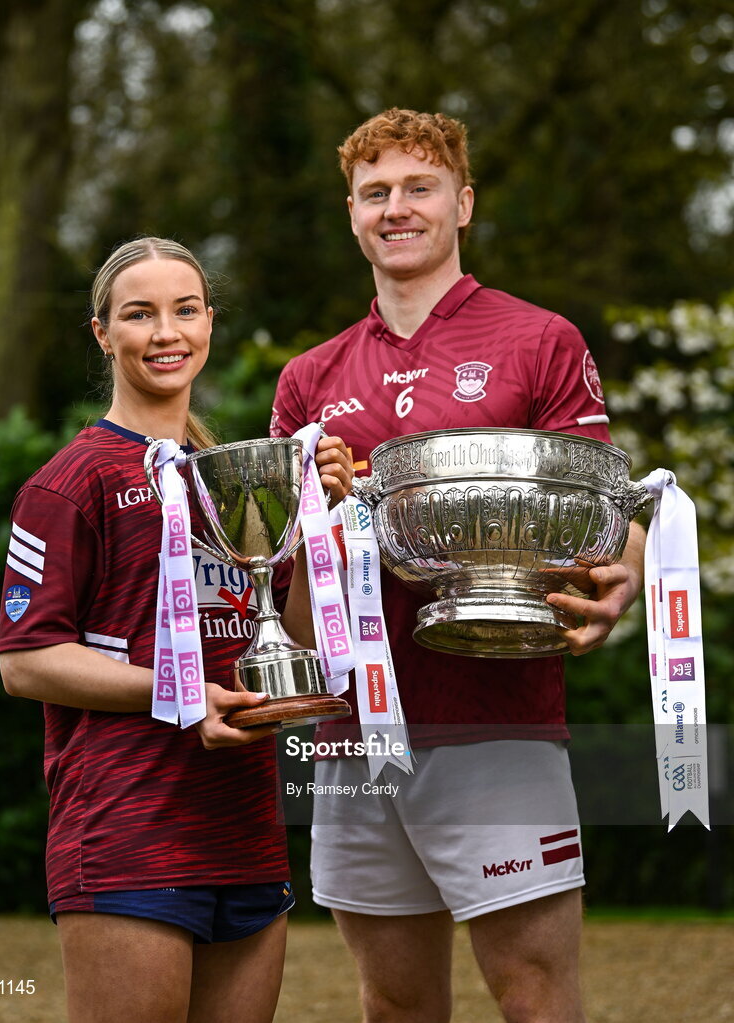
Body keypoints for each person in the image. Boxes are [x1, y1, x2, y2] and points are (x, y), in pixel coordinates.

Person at [270, 109, 646, 1023]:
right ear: (351, 213)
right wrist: (309, 528)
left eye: (419, 186)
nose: (397, 208)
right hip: (352, 735)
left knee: (533, 992)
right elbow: (286, 590)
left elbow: (606, 505)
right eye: (375, 193)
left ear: (463, 203)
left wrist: (626, 573)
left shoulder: (539, 340)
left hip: (498, 720)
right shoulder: (308, 378)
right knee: (394, 1000)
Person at [0, 236, 351, 1023]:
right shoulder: (69, 482)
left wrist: (326, 520)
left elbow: (291, 635)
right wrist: (184, 698)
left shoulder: (240, 476)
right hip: (127, 833)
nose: (167, 332)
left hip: (247, 832)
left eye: (185, 310)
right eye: (140, 313)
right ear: (102, 332)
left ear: (210, 324)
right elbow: (24, 661)